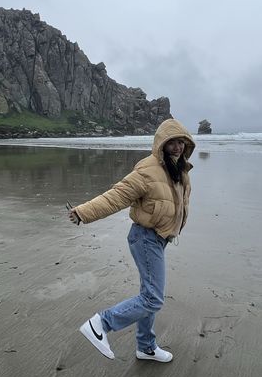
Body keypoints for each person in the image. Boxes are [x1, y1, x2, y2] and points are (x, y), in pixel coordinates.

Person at [68, 118, 195, 362]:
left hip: (159, 239)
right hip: (145, 238)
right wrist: (83, 213)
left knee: (148, 294)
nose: (177, 147)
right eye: (172, 143)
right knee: (153, 298)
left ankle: (146, 346)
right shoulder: (148, 170)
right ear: (161, 144)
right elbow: (116, 196)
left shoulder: (180, 170)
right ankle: (101, 324)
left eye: (181, 142)